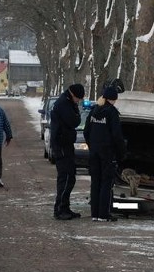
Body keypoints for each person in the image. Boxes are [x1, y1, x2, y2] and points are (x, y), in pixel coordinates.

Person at [83, 86, 126, 222]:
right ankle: (103, 214)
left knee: (95, 182)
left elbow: (86, 131)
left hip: (94, 153)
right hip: (107, 153)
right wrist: (121, 153)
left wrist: (92, 146)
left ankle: (94, 213)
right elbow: (116, 135)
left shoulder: (94, 111)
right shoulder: (112, 112)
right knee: (106, 183)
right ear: (113, 99)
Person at [51, 83, 85, 220]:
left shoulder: (66, 102)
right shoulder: (64, 104)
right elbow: (75, 121)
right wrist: (76, 111)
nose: (78, 101)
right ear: (73, 94)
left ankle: (64, 206)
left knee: (70, 177)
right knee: (65, 178)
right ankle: (60, 209)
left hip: (65, 144)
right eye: (78, 99)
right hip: (62, 145)